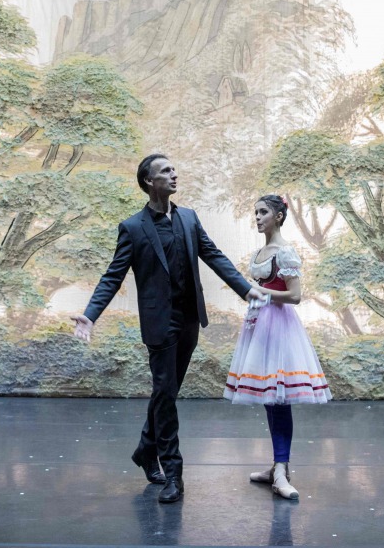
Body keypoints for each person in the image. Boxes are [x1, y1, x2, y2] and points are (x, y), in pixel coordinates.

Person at [71, 154, 266, 504]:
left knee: (166, 393)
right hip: (159, 323)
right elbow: (113, 275)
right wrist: (91, 314)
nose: (174, 175)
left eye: (174, 169)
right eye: (165, 172)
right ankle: (172, 472)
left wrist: (246, 289)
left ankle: (146, 450)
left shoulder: (189, 218)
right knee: (165, 392)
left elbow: (214, 255)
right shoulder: (132, 228)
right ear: (149, 181)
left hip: (189, 318)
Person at [224, 194, 331, 500]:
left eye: (263, 212)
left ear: (278, 217)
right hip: (258, 326)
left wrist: (261, 293)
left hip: (280, 327)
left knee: (280, 398)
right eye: (255, 212)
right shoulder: (260, 252)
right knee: (271, 399)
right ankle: (276, 466)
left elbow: (295, 295)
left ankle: (282, 470)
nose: (257, 217)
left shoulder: (285, 252)